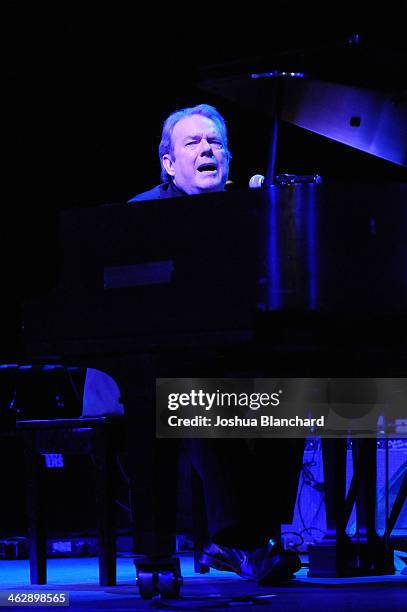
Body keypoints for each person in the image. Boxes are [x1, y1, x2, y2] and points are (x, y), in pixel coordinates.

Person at [85, 103, 302, 584]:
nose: (208, 150)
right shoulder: (141, 215)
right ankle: (241, 543)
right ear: (168, 163)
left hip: (234, 356)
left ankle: (253, 536)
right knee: (195, 392)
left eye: (216, 143)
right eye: (194, 143)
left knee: (294, 396)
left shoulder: (247, 213)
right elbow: (121, 301)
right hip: (154, 362)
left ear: (228, 157)